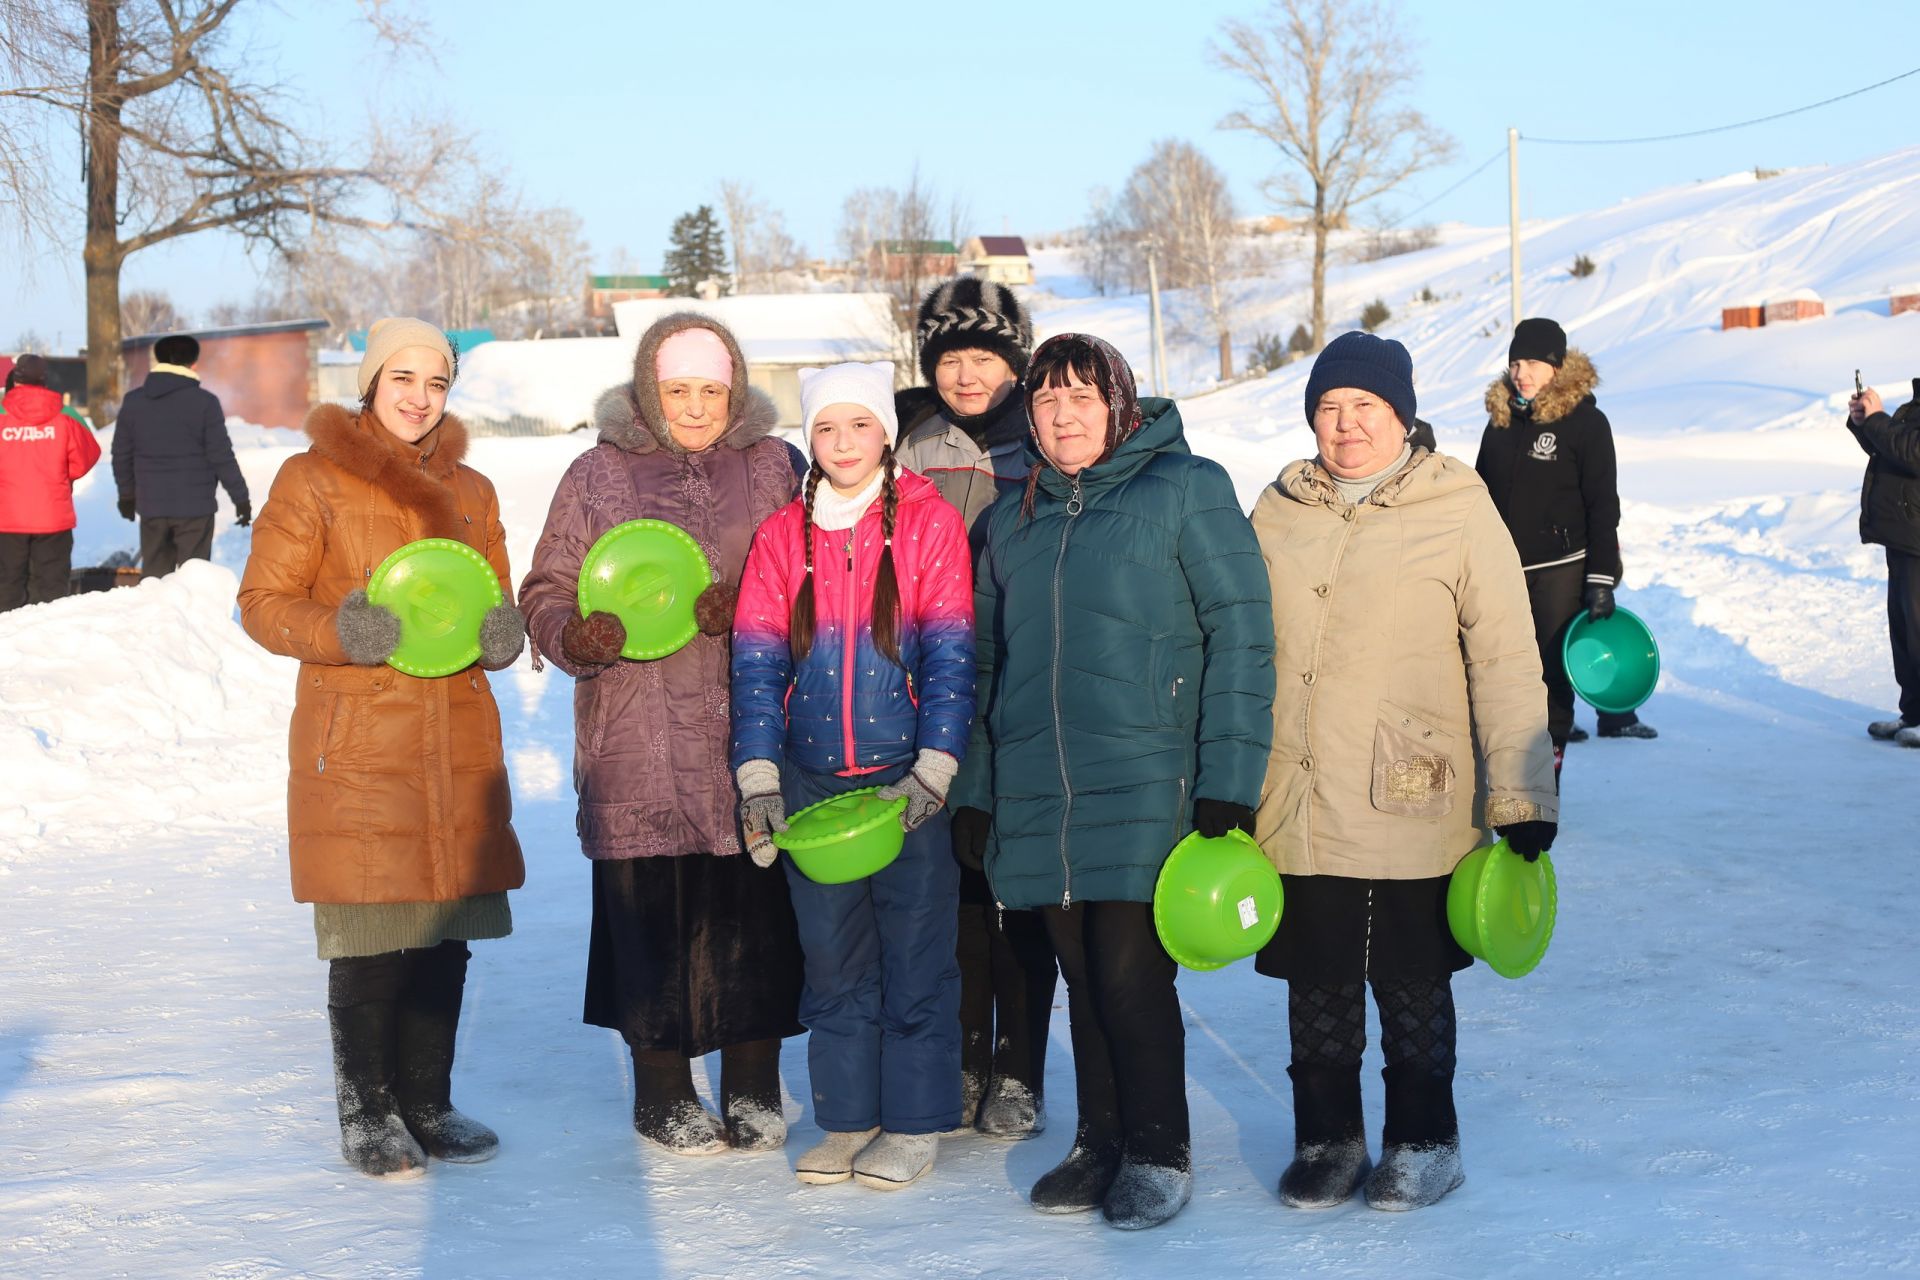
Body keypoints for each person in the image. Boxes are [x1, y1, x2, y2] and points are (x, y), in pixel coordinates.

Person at [953, 332, 1275, 1230]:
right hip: (1038, 785)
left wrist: (1230, 782)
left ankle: (1160, 1148)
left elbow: (1243, 638)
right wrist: (977, 788)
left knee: (1130, 976)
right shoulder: (1010, 519)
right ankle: (1101, 1140)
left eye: (1081, 399)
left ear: (1120, 405)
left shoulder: (1188, 489)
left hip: (1148, 775)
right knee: (1077, 973)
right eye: (1046, 402)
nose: (1061, 417)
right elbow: (982, 665)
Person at [1251, 330, 1559, 1213]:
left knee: (1408, 976)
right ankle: (1328, 1140)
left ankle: (1427, 1139)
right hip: (1297, 789)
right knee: (1317, 977)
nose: (1346, 427)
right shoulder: (1278, 509)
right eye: (1329, 409)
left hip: (1410, 788)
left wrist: (1522, 791)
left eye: (1365, 408)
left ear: (1403, 416)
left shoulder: (1457, 507)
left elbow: (1507, 657)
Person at [237, 317, 527, 1179]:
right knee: (370, 929)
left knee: (443, 931)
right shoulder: (312, 477)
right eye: (403, 379)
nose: (418, 398)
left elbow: (492, 600)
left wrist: (501, 633)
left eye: (436, 384)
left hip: (456, 732)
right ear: (370, 383)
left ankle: (427, 1101)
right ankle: (367, 1113)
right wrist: (342, 629)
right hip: (361, 736)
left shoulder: (472, 490)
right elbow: (261, 602)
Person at [518, 313, 808, 1157]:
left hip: (753, 729)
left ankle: (755, 1081)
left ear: (736, 390)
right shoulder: (596, 473)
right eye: (676, 389)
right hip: (635, 735)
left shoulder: (777, 467)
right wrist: (576, 633)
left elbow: (820, 573)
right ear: (650, 388)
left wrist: (757, 605)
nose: (692, 406)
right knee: (652, 922)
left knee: (756, 917)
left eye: (709, 390)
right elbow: (547, 585)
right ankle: (663, 1089)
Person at [730, 360, 975, 1191]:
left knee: (915, 953)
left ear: (886, 433)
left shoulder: (927, 527)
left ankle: (912, 1120)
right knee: (833, 959)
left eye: (859, 425)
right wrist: (760, 781)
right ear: (810, 439)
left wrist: (935, 769)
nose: (842, 443)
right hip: (812, 785)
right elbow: (757, 663)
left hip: (904, 785)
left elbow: (949, 652)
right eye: (826, 429)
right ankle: (848, 1116)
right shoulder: (779, 538)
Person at [893, 277, 1057, 1140]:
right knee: (952, 887)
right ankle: (961, 1057)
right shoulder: (912, 443)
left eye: (984, 355)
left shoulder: (1048, 436)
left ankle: (1020, 1067)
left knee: (1019, 888)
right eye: (950, 357)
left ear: (1014, 360)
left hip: (1027, 685)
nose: (966, 373)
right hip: (935, 689)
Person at [1474, 317, 1654, 768]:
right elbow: (1478, 496)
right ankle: (1505, 771)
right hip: (1505, 570)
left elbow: (1602, 506)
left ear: (1557, 367)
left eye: (1533, 362)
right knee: (1503, 671)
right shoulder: (1499, 424)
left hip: (1562, 567)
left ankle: (1543, 784)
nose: (1522, 373)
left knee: (1552, 675)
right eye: (1516, 362)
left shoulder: (1586, 424)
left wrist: (1600, 580)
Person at [113, 334, 252, 577]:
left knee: (154, 580)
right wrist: (240, 498)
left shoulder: (134, 401)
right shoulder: (205, 403)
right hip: (195, 508)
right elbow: (221, 455)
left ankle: (155, 616)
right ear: (193, 364)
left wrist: (127, 495)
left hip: (152, 505)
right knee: (193, 580)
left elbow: (121, 453)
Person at [1848, 375, 1920, 747]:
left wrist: (1878, 419)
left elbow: (1914, 452)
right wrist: (1865, 425)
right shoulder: (1915, 405)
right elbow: (1893, 449)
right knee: (1905, 630)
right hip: (1904, 533)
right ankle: (1913, 713)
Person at [0, 353, 100, 611]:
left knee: (7, 585)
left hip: (6, 518)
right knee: (51, 589)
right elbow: (86, 456)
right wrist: (58, 478)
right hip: (52, 516)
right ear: (44, 381)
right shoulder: (66, 416)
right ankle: (45, 645)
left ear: (16, 380)